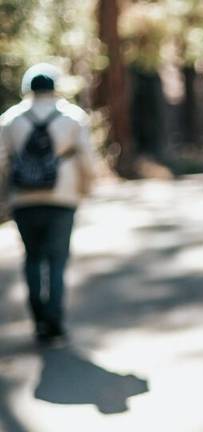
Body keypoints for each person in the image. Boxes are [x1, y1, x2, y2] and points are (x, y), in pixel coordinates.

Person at [0, 63, 96, 342]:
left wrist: (6, 195)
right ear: (55, 87)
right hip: (62, 197)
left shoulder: (10, 119)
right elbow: (87, 160)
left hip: (23, 198)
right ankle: (53, 322)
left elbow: (3, 161)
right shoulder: (73, 117)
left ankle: (38, 318)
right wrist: (85, 189)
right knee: (57, 259)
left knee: (32, 257)